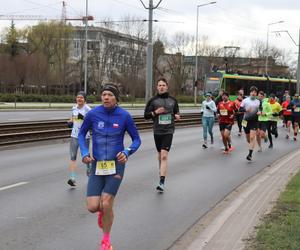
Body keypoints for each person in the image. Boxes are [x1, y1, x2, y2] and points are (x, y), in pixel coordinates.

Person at [78, 84, 141, 250]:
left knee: (106, 203)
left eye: (109, 95)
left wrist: (127, 152)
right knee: (93, 207)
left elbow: (137, 140)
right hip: (97, 164)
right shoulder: (92, 114)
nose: (106, 97)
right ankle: (103, 213)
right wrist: (84, 152)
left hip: (116, 165)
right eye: (103, 94)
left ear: (116, 98)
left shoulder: (125, 116)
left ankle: (106, 241)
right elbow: (81, 134)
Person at [144, 77, 180, 193]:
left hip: (168, 131)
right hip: (157, 131)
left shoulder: (173, 100)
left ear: (167, 87)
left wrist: (177, 116)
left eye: (163, 85)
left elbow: (176, 113)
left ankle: (162, 182)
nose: (161, 87)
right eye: (159, 85)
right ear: (157, 87)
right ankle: (161, 172)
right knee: (160, 155)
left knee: (164, 156)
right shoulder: (152, 101)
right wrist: (155, 112)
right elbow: (146, 116)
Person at [67, 91, 91, 187]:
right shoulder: (74, 108)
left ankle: (89, 171)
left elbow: (90, 122)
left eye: (81, 97)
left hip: (84, 137)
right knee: (73, 157)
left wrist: (80, 117)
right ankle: (72, 178)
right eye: (78, 97)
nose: (79, 99)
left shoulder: (88, 110)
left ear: (84, 99)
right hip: (74, 136)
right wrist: (70, 122)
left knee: (85, 157)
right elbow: (73, 118)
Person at [239, 86, 260, 161]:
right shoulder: (245, 100)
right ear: (250, 93)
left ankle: (250, 154)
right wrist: (246, 109)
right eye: (252, 92)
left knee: (252, 137)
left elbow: (261, 109)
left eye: (255, 92)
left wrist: (260, 112)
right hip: (246, 121)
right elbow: (240, 109)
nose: (253, 93)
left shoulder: (258, 101)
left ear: (256, 94)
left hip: (254, 121)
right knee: (248, 138)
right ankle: (252, 144)